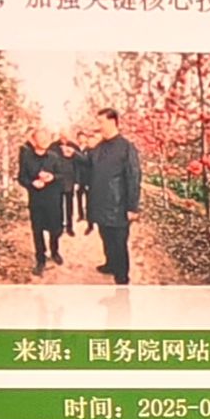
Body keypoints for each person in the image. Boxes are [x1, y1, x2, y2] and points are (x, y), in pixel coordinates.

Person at [88, 104, 143, 288]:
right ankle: (110, 264)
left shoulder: (126, 147)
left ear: (112, 122)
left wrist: (132, 207)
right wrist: (74, 154)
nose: (98, 126)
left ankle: (122, 280)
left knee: (119, 242)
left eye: (101, 122)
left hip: (118, 204)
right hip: (101, 203)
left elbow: (133, 177)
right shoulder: (99, 147)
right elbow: (89, 164)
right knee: (106, 238)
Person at [19, 128, 70, 268]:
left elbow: (62, 176)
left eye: (46, 138)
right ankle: (40, 258)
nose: (44, 140)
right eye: (40, 138)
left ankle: (55, 251)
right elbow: (21, 177)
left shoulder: (54, 157)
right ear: (34, 140)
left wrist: (52, 177)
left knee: (55, 228)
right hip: (36, 199)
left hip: (53, 199)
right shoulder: (27, 157)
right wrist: (32, 183)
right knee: (37, 229)